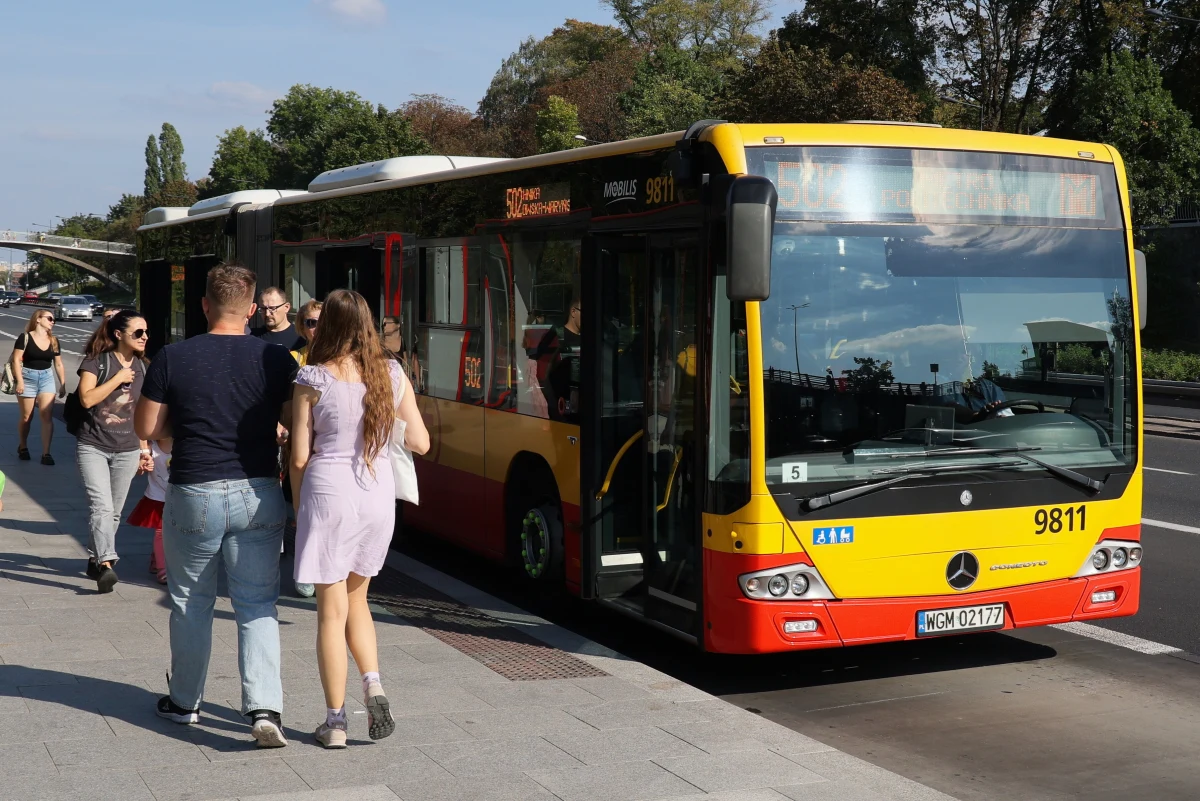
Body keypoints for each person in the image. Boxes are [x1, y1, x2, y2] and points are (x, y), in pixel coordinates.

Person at [135, 262, 298, 748]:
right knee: (256, 602)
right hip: (259, 491)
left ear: (204, 305)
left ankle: (185, 701)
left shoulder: (172, 357)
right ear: (251, 310)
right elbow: (294, 426)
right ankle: (265, 708)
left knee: (190, 601)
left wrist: (174, 433)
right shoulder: (276, 359)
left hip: (194, 490)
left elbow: (146, 428)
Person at [289, 289, 429, 749]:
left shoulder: (311, 376)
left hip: (329, 490)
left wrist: (297, 507)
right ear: (368, 324)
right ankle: (374, 684)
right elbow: (423, 443)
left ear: (325, 323)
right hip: (376, 493)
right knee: (360, 600)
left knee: (330, 614)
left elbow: (300, 457)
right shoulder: (391, 373)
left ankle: (335, 723)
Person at [77, 310, 154, 593]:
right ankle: (107, 564)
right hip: (93, 445)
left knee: (114, 513)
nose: (145, 337)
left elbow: (141, 413)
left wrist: (145, 450)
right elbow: (86, 399)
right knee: (102, 507)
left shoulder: (145, 367)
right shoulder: (96, 362)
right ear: (119, 334)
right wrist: (117, 378)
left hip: (128, 448)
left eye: (146, 332)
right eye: (138, 332)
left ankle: (95, 557)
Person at [284, 297, 322, 599]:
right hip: (301, 440)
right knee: (305, 510)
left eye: (322, 322)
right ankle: (305, 568)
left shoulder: (343, 359)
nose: (317, 328)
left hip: (328, 444)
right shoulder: (295, 359)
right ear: (302, 326)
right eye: (311, 322)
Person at [12, 308, 66, 464]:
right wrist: (20, 381)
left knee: (47, 415)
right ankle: (23, 446)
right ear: (38, 319)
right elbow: (16, 360)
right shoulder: (25, 338)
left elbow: (58, 363)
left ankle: (46, 453)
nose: (52, 321)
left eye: (53, 319)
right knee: (27, 417)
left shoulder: (54, 340)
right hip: (27, 377)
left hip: (46, 378)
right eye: (49, 318)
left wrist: (62, 383)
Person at [127, 440, 171, 585]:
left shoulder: (184, 445)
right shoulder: (151, 449)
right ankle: (162, 569)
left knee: (176, 532)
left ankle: (156, 557)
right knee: (161, 532)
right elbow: (138, 469)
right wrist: (143, 465)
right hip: (158, 497)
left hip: (179, 496)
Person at [253, 287, 305, 351]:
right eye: (263, 309)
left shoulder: (301, 337)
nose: (267, 314)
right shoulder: (253, 337)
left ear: (286, 307)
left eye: (272, 308)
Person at [290, 300, 322, 367]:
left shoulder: (341, 356)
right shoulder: (293, 358)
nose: (319, 328)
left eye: (323, 322)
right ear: (302, 327)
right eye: (312, 323)